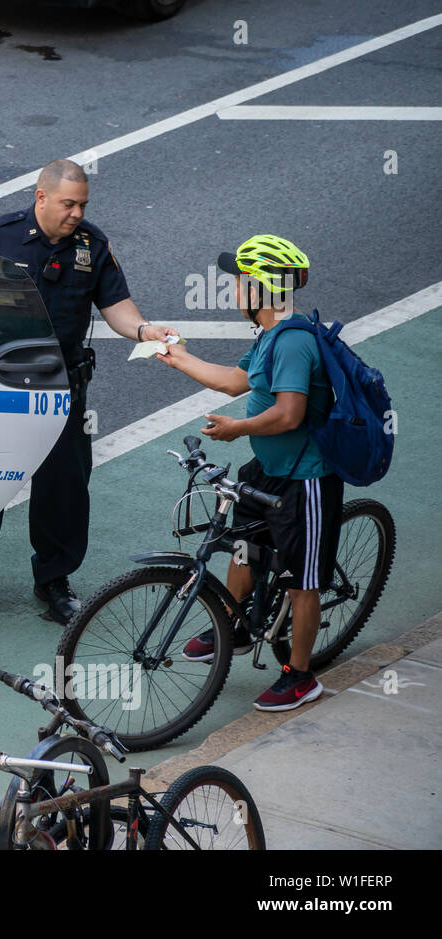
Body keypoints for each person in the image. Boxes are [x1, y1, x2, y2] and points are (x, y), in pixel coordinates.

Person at [0, 158, 178, 623]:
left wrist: (143, 330)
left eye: (82, 204)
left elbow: (117, 305)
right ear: (41, 197)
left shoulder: (92, 245)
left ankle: (54, 583)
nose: (77, 213)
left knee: (64, 488)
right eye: (68, 204)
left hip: (61, 386)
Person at [157, 234, 341, 711]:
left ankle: (300, 676)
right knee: (244, 546)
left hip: (306, 480)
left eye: (241, 280)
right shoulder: (269, 334)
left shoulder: (295, 342)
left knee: (302, 582)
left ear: (261, 288)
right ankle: (235, 625)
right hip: (268, 469)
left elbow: (289, 414)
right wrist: (176, 356)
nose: (234, 288)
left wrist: (238, 428)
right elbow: (235, 380)